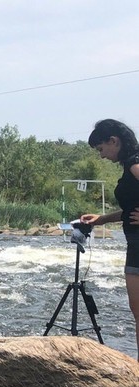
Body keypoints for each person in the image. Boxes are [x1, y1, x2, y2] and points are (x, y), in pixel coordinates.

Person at [80, 119, 139, 359]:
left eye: (101, 149)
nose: (102, 156)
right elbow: (131, 210)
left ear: (114, 141)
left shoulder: (135, 164)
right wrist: (101, 219)